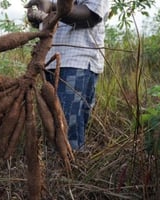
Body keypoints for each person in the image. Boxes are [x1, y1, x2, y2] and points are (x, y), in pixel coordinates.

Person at [26, 0, 110, 151]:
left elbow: (90, 16)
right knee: (52, 123)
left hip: (78, 59)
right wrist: (36, 14)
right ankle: (57, 166)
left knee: (67, 123)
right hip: (49, 59)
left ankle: (71, 167)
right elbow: (42, 18)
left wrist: (51, 7)